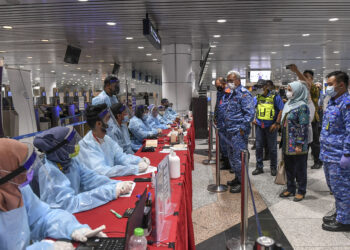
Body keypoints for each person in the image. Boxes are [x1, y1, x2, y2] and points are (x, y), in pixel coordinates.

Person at [0, 138, 106, 249]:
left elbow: (43, 216)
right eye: (23, 168)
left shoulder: (18, 188)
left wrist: (74, 228)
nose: (28, 173)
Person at [33, 126, 134, 213]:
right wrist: (110, 191)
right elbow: (70, 204)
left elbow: (90, 178)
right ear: (61, 148)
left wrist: (116, 184)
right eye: (72, 143)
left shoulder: (70, 161)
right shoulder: (48, 171)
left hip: (76, 214)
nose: (76, 145)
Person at [77, 104, 150, 177]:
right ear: (99, 124)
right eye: (108, 118)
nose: (112, 121)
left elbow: (121, 157)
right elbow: (103, 171)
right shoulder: (86, 145)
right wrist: (134, 168)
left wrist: (139, 160)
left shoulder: (107, 139)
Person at [320, 71, 350, 232]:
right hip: (328, 154)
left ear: (341, 85)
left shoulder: (347, 103)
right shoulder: (333, 102)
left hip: (339, 155)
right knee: (334, 187)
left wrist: (347, 154)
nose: (327, 87)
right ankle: (341, 213)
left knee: (343, 188)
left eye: (330, 84)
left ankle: (345, 221)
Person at [224, 71, 255, 193]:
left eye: (231, 80)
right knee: (232, 156)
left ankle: (243, 183)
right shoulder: (232, 94)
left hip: (238, 132)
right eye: (228, 81)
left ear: (238, 80)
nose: (229, 83)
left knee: (239, 158)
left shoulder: (244, 94)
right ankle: (238, 178)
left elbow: (250, 114)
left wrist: (242, 128)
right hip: (230, 131)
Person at [279, 81, 309, 202]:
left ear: (297, 91)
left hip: (297, 143)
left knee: (300, 168)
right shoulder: (289, 104)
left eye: (290, 90)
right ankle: (290, 188)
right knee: (289, 167)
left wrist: (299, 144)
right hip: (287, 142)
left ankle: (301, 190)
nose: (288, 92)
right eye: (288, 89)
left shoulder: (302, 106)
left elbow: (304, 126)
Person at [289, 65, 322, 169]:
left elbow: (307, 84)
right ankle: (303, 161)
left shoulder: (314, 88)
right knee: (304, 142)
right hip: (303, 120)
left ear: (311, 78)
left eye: (306, 76)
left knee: (315, 143)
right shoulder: (302, 88)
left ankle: (318, 161)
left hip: (313, 119)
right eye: (304, 76)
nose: (303, 78)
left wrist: (296, 71)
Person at [252, 80, 284, 176]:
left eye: (261, 87)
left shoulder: (274, 96)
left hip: (271, 126)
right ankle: (259, 167)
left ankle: (273, 167)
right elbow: (250, 108)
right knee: (258, 147)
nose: (259, 89)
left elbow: (281, 110)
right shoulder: (257, 97)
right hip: (259, 126)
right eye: (258, 87)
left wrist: (277, 123)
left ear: (266, 86)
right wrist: (253, 118)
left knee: (272, 148)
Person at [214, 77, 230, 170]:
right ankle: (225, 162)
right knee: (222, 144)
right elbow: (217, 104)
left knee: (229, 144)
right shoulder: (219, 92)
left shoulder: (229, 92)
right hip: (220, 121)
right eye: (216, 86)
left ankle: (231, 164)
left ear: (223, 83)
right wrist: (215, 116)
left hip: (228, 123)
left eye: (218, 85)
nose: (217, 87)